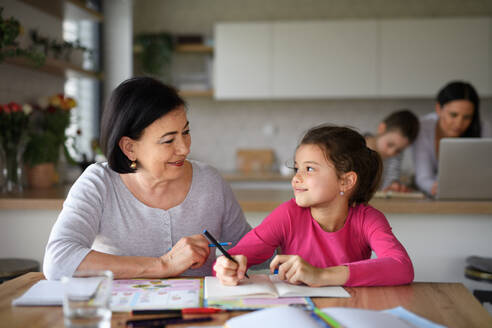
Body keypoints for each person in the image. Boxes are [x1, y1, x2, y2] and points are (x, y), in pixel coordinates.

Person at [43, 77, 251, 280]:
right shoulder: (99, 184)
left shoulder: (210, 182)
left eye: (186, 132)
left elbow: (253, 251)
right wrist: (164, 265)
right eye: (168, 140)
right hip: (120, 313)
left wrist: (239, 262)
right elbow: (58, 261)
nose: (185, 148)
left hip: (201, 313)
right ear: (130, 148)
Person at [214, 125, 414, 287]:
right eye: (296, 168)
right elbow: (232, 257)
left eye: (309, 169)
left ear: (346, 181)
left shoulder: (368, 219)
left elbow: (402, 267)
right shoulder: (288, 215)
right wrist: (227, 266)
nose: (296, 178)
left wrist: (320, 276)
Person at [413, 81, 492, 196]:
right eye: (453, 115)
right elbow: (423, 177)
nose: (459, 123)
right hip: (437, 196)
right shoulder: (423, 128)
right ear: (439, 109)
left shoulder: (483, 128)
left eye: (467, 117)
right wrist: (433, 187)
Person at [364, 109, 419, 192]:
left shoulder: (395, 156)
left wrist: (394, 186)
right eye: (390, 144)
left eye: (399, 150)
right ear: (381, 129)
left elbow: (388, 186)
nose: (391, 152)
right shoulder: (357, 149)